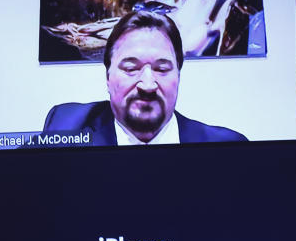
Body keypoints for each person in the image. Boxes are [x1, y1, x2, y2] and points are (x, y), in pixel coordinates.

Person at [42, 10, 248, 145]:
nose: (148, 85)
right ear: (107, 76)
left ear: (179, 74)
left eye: (162, 68)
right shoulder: (66, 128)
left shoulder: (229, 149)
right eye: (131, 68)